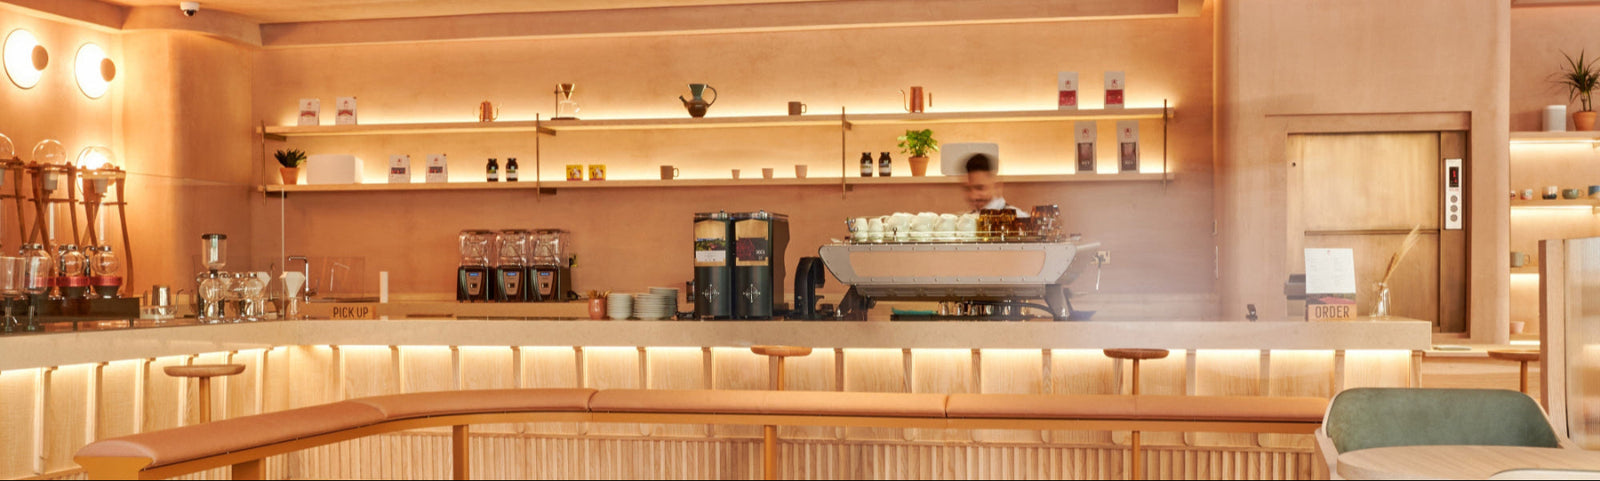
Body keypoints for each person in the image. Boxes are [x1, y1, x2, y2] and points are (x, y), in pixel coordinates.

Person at [962, 154, 1028, 217]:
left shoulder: (1018, 219)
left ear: (996, 186)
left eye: (980, 188)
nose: (973, 196)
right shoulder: (965, 220)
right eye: (968, 189)